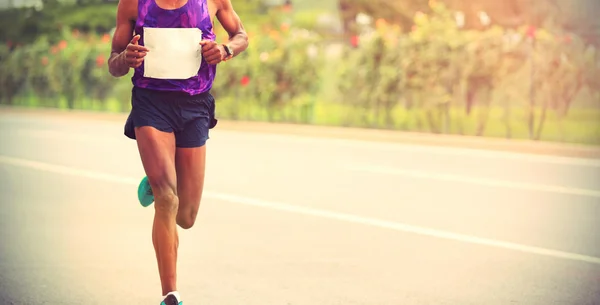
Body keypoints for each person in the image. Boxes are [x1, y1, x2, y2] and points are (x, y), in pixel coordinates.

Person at [107, 0, 249, 303]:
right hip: (151, 103)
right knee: (167, 199)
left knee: (186, 216)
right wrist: (126, 58)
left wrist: (225, 50)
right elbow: (113, 64)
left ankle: (159, 175)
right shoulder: (133, 4)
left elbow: (241, 35)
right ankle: (170, 294)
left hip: (195, 105)